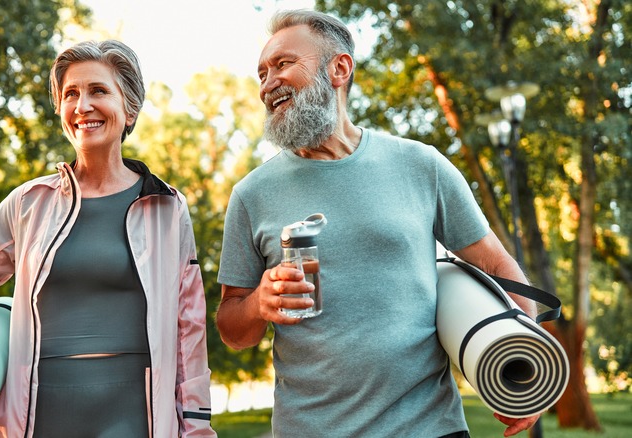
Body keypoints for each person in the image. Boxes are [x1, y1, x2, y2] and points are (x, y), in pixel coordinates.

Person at [216, 9, 539, 438]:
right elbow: (232, 327)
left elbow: (498, 269)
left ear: (339, 68)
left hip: (429, 426)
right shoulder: (251, 194)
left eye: (282, 64)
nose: (267, 83)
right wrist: (258, 302)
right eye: (261, 73)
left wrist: (528, 372)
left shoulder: (421, 164)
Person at [0, 40, 216, 437]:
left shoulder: (167, 207)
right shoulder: (27, 203)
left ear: (130, 107)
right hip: (37, 414)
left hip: (135, 414)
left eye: (98, 91)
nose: (82, 106)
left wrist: (196, 426)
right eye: (71, 94)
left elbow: (189, 324)